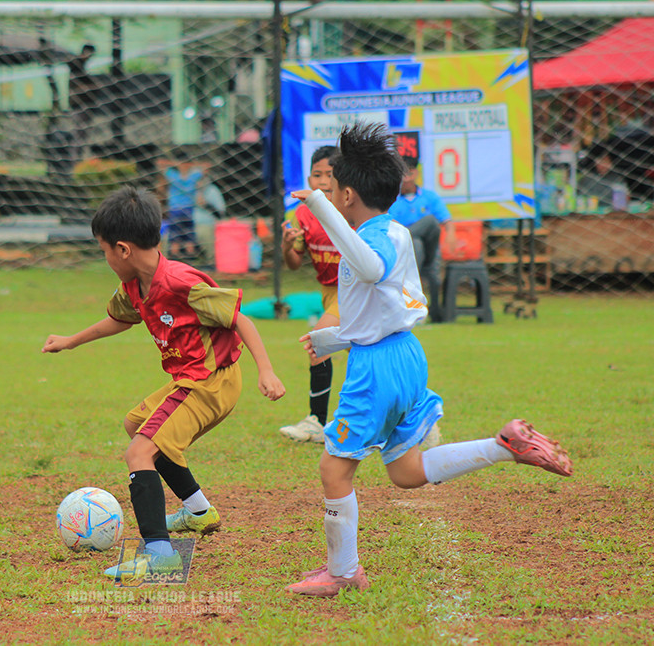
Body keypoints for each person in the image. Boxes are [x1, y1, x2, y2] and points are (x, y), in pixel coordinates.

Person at [284, 123, 572, 598]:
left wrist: (317, 207)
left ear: (348, 195)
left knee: (334, 470)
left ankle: (342, 573)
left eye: (330, 188)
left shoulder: (369, 239)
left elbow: (370, 270)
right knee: (406, 472)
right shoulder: (393, 229)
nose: (324, 194)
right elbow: (386, 309)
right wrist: (334, 339)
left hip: (376, 369)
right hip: (403, 355)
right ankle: (504, 446)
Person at [42, 185, 285, 584]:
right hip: (190, 380)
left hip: (211, 382)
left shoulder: (179, 281)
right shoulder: (134, 285)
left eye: (104, 250)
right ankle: (198, 510)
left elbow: (239, 318)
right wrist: (71, 340)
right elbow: (121, 319)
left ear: (122, 249)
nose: (104, 259)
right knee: (136, 425)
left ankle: (160, 555)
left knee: (138, 452)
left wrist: (267, 370)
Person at [277, 146, 341, 444]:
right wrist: (287, 245)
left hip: (356, 292)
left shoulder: (350, 208)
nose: (324, 181)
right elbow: (292, 264)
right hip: (329, 293)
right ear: (308, 179)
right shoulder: (302, 214)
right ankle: (420, 418)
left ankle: (317, 421)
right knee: (374, 359)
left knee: (319, 342)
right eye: (318, 174)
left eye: (330, 174)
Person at [388, 156, 454, 323]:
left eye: (409, 171)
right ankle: (423, 310)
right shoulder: (391, 199)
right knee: (416, 243)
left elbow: (447, 221)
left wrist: (451, 237)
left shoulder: (429, 196)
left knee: (429, 226)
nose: (406, 176)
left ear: (415, 173)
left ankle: (430, 310)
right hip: (401, 251)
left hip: (429, 250)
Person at [577, 147, 628, 212]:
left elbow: (624, 200)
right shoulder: (588, 178)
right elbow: (580, 200)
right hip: (591, 213)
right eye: (601, 162)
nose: (603, 165)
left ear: (611, 163)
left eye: (606, 162)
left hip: (613, 213)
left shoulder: (617, 179)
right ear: (596, 163)